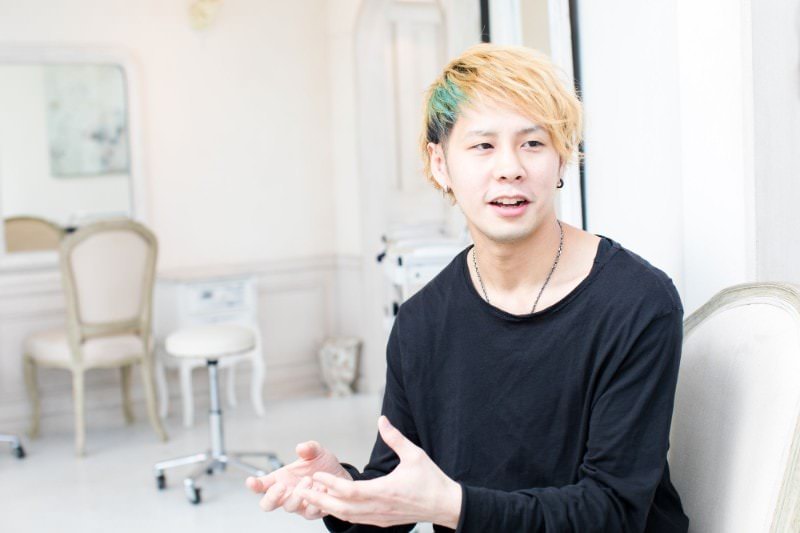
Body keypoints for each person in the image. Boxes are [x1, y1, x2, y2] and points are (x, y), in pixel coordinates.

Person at [246, 43, 689, 532]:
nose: (510, 168)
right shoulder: (421, 323)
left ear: (561, 158)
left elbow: (614, 512)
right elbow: (399, 496)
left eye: (533, 143)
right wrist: (342, 492)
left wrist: (453, 506)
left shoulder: (636, 303)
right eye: (483, 146)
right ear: (440, 164)